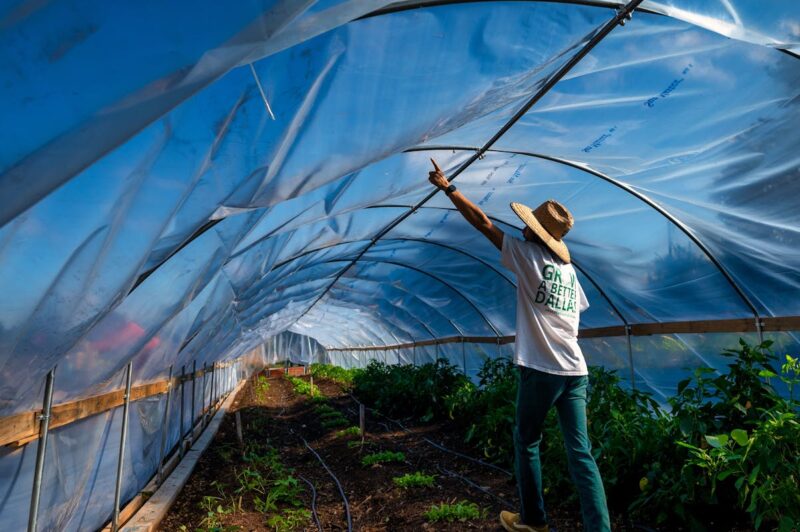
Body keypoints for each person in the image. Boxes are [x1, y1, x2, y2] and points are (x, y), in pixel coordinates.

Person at [427, 159, 610, 532]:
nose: (524, 227)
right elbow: (576, 312)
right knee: (581, 454)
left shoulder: (526, 256)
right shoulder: (569, 272)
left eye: (530, 224)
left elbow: (482, 224)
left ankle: (533, 521)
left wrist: (448, 188)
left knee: (527, 441)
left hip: (541, 368)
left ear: (538, 233)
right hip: (576, 370)